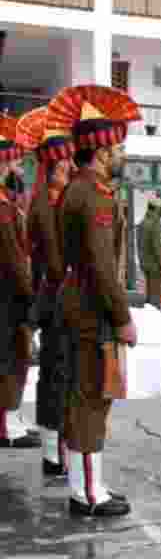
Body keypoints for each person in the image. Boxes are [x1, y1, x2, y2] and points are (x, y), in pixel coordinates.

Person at [51, 85, 142, 516]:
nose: (122, 155)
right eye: (119, 148)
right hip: (92, 309)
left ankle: (87, 485)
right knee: (91, 395)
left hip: (81, 304)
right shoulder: (92, 196)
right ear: (102, 153)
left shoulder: (83, 190)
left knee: (83, 394)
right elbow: (103, 267)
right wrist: (122, 317)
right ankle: (88, 493)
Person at [19, 106, 74, 469]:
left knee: (55, 373)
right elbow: (55, 264)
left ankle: (55, 448)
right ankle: (54, 453)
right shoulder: (46, 204)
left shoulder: (49, 200)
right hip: (55, 299)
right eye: (66, 162)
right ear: (54, 165)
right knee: (55, 374)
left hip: (52, 296)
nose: (70, 167)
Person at [0, 114, 36, 449]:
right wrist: (32, 296)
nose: (22, 169)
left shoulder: (10, 204)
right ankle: (8, 426)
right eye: (18, 162)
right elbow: (14, 258)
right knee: (11, 358)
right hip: (8, 297)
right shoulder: (4, 208)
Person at [138, 198, 161, 307]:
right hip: (156, 266)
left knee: (150, 294)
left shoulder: (142, 223)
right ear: (157, 209)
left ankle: (149, 315)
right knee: (156, 297)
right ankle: (154, 318)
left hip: (146, 264)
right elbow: (160, 247)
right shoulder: (155, 225)